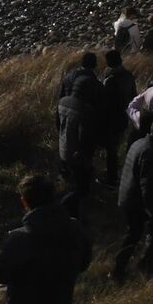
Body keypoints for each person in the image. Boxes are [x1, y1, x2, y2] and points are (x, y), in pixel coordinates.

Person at [0, 173, 91, 304]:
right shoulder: (75, 228)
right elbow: (84, 263)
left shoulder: (20, 239)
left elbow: (0, 274)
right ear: (53, 196)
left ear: (24, 202)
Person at [114, 113, 153, 280]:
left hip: (129, 195)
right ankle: (139, 265)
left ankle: (122, 268)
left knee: (134, 233)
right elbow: (146, 185)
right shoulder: (151, 152)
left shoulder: (140, 142)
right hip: (136, 201)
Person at [56, 53, 101, 200]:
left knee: (66, 148)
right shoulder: (92, 82)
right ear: (94, 65)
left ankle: (66, 180)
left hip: (65, 116)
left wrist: (59, 126)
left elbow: (60, 98)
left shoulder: (69, 76)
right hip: (83, 119)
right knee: (81, 161)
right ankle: (79, 192)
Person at [95, 50, 136, 180]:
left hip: (111, 119)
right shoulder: (128, 75)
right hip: (123, 116)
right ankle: (115, 174)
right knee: (116, 147)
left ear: (108, 62)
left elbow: (103, 101)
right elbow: (133, 96)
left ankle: (111, 177)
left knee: (111, 149)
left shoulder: (110, 80)